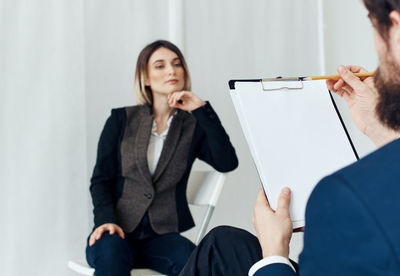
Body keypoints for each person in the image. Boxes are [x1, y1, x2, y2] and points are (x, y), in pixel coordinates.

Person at [178, 0, 400, 275]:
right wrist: (379, 129)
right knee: (221, 243)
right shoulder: (126, 121)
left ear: (396, 30)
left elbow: (225, 160)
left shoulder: (342, 197)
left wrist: (274, 252)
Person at [85, 40, 238, 276]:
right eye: (160, 65)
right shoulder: (120, 120)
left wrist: (201, 109)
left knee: (198, 263)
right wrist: (106, 220)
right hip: (118, 233)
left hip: (163, 238)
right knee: (111, 257)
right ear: (145, 78)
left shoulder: (193, 126)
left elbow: (227, 162)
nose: (171, 70)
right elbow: (101, 180)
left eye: (177, 64)